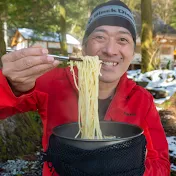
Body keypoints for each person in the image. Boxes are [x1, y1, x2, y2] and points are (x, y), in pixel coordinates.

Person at [0, 0, 170, 175]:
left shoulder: (142, 100)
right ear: (84, 48)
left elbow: (161, 163)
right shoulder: (51, 83)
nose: (110, 50)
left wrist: (137, 171)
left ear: (132, 52)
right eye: (100, 37)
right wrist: (10, 85)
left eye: (122, 39)